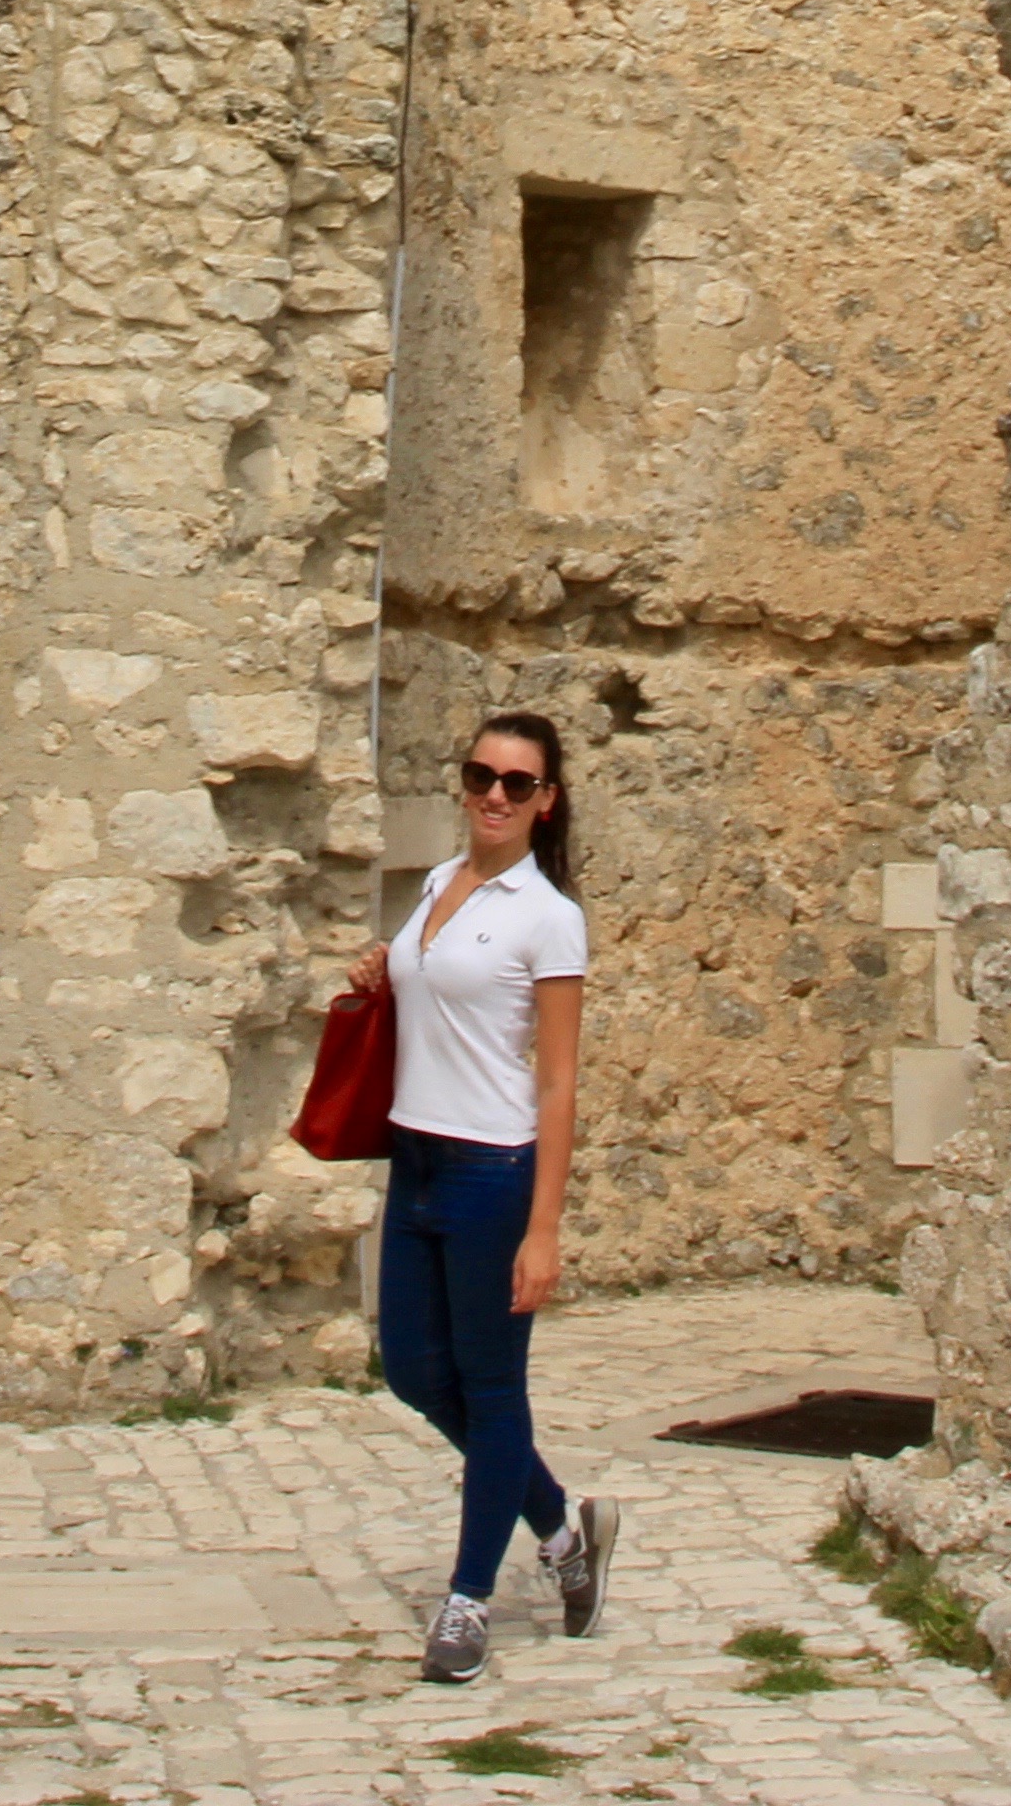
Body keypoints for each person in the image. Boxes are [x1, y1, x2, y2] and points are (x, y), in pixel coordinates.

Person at [351, 708, 621, 1684]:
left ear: (547, 802)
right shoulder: (437, 885)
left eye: (518, 783)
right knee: (416, 1375)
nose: (495, 795)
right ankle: (558, 1529)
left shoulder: (550, 915)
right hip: (415, 1161)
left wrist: (543, 1226)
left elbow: (556, 1080)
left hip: (491, 1173)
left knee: (494, 1386)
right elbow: (431, 998)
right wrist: (384, 973)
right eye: (482, 775)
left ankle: (467, 1603)